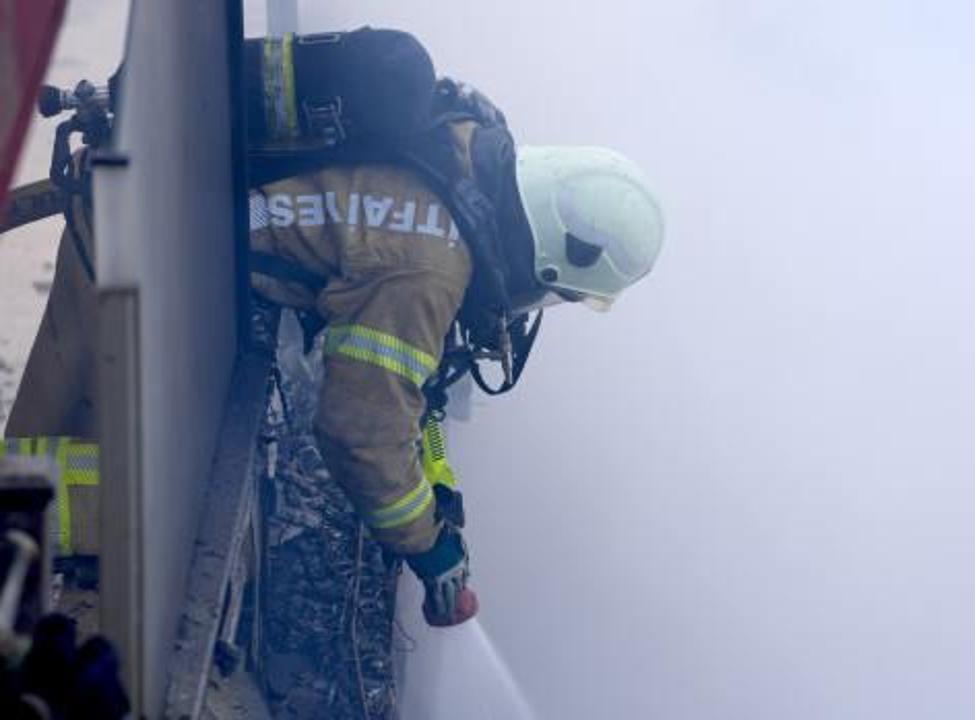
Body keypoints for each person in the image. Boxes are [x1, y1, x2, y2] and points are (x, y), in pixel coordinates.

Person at [2, 29, 665, 627]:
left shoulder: (463, 142)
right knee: (121, 503)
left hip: (154, 226)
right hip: (134, 246)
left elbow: (410, 390)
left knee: (59, 464)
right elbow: (359, 431)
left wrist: (438, 491)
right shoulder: (430, 269)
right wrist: (429, 550)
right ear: (551, 258)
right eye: (558, 295)